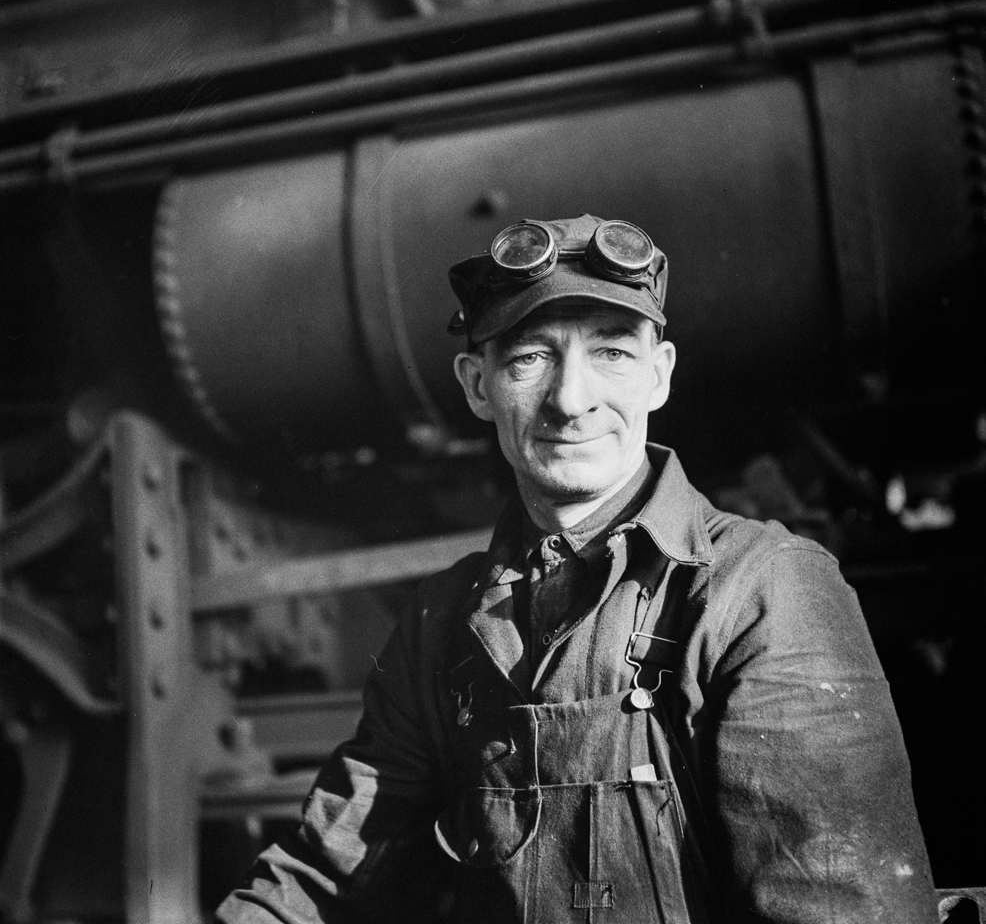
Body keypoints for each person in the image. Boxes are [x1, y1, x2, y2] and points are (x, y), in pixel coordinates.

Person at [217, 214, 937, 923]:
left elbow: (838, 907)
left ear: (659, 376)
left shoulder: (762, 588)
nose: (571, 399)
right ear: (476, 385)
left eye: (613, 354)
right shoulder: (444, 621)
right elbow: (326, 877)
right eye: (531, 357)